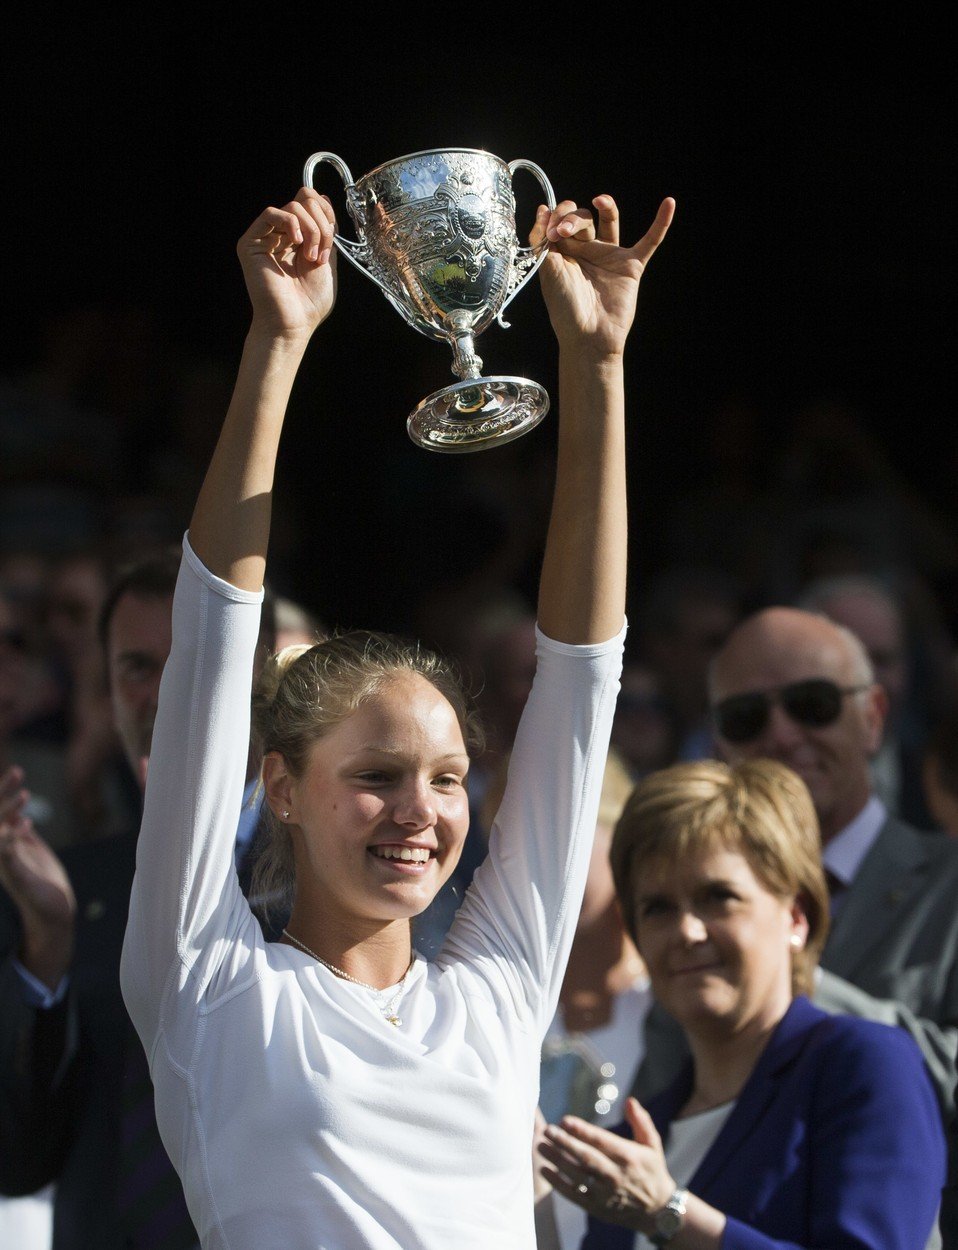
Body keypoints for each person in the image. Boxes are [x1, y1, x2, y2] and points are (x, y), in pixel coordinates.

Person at [118, 182, 674, 1249]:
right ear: (278, 783)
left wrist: (597, 363)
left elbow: (579, 674)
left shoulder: (499, 990)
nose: (418, 809)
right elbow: (212, 636)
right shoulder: (206, 980)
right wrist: (276, 346)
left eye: (448, 776)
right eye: (375, 773)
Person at [538, 759, 945, 1249]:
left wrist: (669, 1213)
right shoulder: (634, 1142)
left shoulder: (864, 1066)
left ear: (796, 916)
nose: (687, 932)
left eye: (718, 897)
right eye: (658, 908)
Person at [0, 550, 275, 1248]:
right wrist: (46, 953)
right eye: (137, 668)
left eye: (193, 656)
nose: (166, 691)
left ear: (262, 676)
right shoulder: (59, 890)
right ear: (106, 690)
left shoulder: (341, 879)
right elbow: (17, 1160)